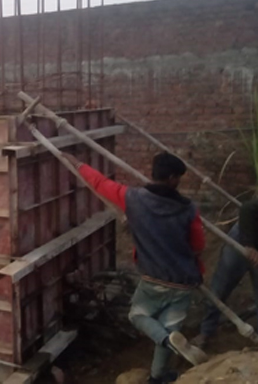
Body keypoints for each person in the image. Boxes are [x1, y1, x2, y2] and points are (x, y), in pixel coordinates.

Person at [62, 151, 208, 384]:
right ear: (172, 178)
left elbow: (99, 182)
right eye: (179, 177)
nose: (179, 182)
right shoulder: (189, 209)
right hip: (184, 282)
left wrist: (77, 163)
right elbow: (198, 246)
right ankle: (158, 377)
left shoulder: (132, 198)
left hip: (154, 281)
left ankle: (167, 340)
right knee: (170, 326)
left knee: (138, 315)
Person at [192, 200, 258, 349]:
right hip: (243, 238)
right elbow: (247, 209)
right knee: (220, 287)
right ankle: (206, 332)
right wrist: (249, 244)